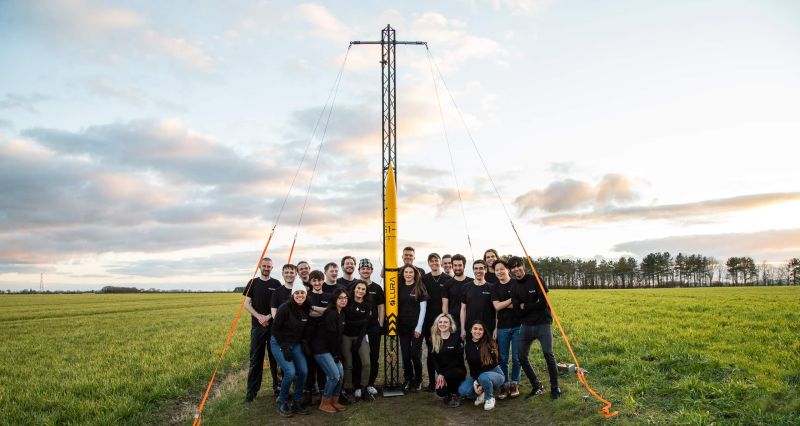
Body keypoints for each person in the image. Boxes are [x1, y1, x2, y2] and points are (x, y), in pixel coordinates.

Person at [509, 256, 560, 400]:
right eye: (513, 267)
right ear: (510, 270)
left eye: (518, 266)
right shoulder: (513, 287)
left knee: (548, 354)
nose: (516, 269)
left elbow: (543, 303)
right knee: (521, 357)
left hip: (543, 323)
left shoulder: (536, 279)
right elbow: (517, 311)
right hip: (526, 326)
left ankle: (555, 388)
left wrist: (525, 305)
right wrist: (532, 304)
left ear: (523, 266)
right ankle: (537, 386)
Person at [270, 275, 311, 416]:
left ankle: (297, 401)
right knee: (290, 372)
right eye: (297, 293)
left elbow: (304, 328)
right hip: (279, 342)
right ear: (293, 294)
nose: (300, 295)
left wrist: (304, 342)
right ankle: (282, 402)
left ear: (305, 295)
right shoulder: (285, 308)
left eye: (302, 293)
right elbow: (275, 328)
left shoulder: (306, 308)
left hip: (296, 343)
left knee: (304, 372)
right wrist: (284, 346)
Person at [243, 257, 282, 401]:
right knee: (255, 360)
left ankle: (277, 389)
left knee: (275, 360)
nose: (266, 268)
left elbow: (279, 305)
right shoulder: (253, 282)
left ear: (272, 268)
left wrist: (268, 317)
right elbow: (246, 304)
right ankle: (251, 392)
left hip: (273, 327)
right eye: (264, 266)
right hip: (257, 328)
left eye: (269, 266)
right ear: (260, 266)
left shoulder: (276, 283)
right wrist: (259, 317)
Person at [312, 288, 348, 413]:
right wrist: (335, 355)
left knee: (341, 375)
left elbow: (337, 337)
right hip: (322, 349)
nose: (343, 300)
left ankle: (335, 400)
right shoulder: (331, 313)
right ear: (334, 299)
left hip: (333, 350)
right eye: (340, 298)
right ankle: (325, 402)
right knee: (334, 375)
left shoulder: (341, 313)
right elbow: (331, 336)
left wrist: (336, 354)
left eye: (345, 298)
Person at [491, 259, 521, 399]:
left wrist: (506, 303)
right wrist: (512, 299)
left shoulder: (516, 283)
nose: (499, 272)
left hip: (517, 326)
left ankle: (514, 383)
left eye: (502, 269)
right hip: (502, 327)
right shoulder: (495, 287)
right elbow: (496, 307)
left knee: (516, 357)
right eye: (497, 270)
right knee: (503, 358)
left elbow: (521, 305)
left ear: (508, 269)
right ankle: (505, 384)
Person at [458, 321, 504, 411]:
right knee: (463, 391)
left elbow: (492, 364)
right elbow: (471, 366)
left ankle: (489, 398)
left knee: (483, 377)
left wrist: (479, 383)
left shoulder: (489, 343)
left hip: (494, 373)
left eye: (480, 329)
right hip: (478, 375)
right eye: (475, 329)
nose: (477, 331)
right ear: (471, 331)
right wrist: (475, 381)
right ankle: (483, 393)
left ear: (483, 331)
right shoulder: (468, 346)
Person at [355, 259, 384, 397]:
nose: (365, 271)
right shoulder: (355, 286)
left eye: (368, 269)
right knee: (358, 356)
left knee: (374, 356)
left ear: (372, 270)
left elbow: (381, 306)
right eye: (363, 269)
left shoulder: (377, 288)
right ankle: (358, 385)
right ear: (359, 270)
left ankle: (370, 384)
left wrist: (381, 323)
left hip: (373, 327)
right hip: (358, 328)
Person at [398, 264, 429, 392]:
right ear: (403, 273)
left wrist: (419, 327)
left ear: (415, 274)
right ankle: (408, 379)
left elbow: (423, 309)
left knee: (415, 354)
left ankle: (418, 380)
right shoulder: (399, 287)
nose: (408, 274)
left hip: (416, 327)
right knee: (405, 355)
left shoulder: (419, 287)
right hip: (402, 326)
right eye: (406, 272)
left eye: (411, 272)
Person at [341, 280, 374, 401]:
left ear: (366, 292)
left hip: (360, 336)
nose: (360, 291)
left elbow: (365, 326)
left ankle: (364, 388)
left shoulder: (367, 305)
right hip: (346, 336)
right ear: (354, 289)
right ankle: (349, 389)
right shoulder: (347, 302)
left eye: (363, 289)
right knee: (348, 364)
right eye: (358, 288)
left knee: (366, 363)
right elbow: (345, 323)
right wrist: (360, 322)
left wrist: (359, 341)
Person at [422, 253, 447, 392]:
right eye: (431, 261)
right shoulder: (424, 279)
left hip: (444, 322)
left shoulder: (447, 279)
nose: (434, 263)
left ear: (440, 262)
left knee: (443, 351)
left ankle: (445, 379)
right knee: (431, 351)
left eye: (436, 260)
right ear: (429, 263)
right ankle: (432, 382)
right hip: (429, 321)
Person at [430, 313, 466, 407]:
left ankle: (455, 395)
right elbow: (434, 360)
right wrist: (439, 374)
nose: (443, 324)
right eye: (440, 322)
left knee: (453, 373)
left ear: (450, 324)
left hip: (457, 370)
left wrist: (443, 374)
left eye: (445, 322)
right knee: (440, 391)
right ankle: (449, 393)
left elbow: (457, 360)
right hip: (443, 372)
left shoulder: (456, 338)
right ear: (437, 324)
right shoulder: (433, 339)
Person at [304, 270, 330, 405]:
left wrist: (314, 309)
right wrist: (323, 311)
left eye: (319, 280)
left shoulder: (328, 295)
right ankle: (307, 394)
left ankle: (322, 394)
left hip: (324, 337)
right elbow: (307, 313)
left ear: (323, 280)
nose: (317, 283)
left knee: (322, 367)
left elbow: (330, 312)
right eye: (314, 280)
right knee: (309, 366)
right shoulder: (306, 296)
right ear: (310, 282)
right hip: (309, 337)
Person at [460, 260, 496, 341]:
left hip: (488, 327)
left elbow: (497, 310)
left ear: (485, 270)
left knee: (487, 353)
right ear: (473, 270)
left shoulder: (492, 288)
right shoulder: (466, 287)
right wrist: (462, 329)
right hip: (471, 327)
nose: (478, 271)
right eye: (476, 268)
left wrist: (496, 328)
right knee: (471, 352)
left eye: (481, 268)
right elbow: (463, 309)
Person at [442, 254, 472, 336]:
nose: (457, 268)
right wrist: (447, 322)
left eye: (460, 265)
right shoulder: (447, 284)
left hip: (470, 320)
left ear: (464, 266)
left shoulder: (471, 282)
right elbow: (445, 306)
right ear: (452, 266)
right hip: (453, 321)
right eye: (455, 265)